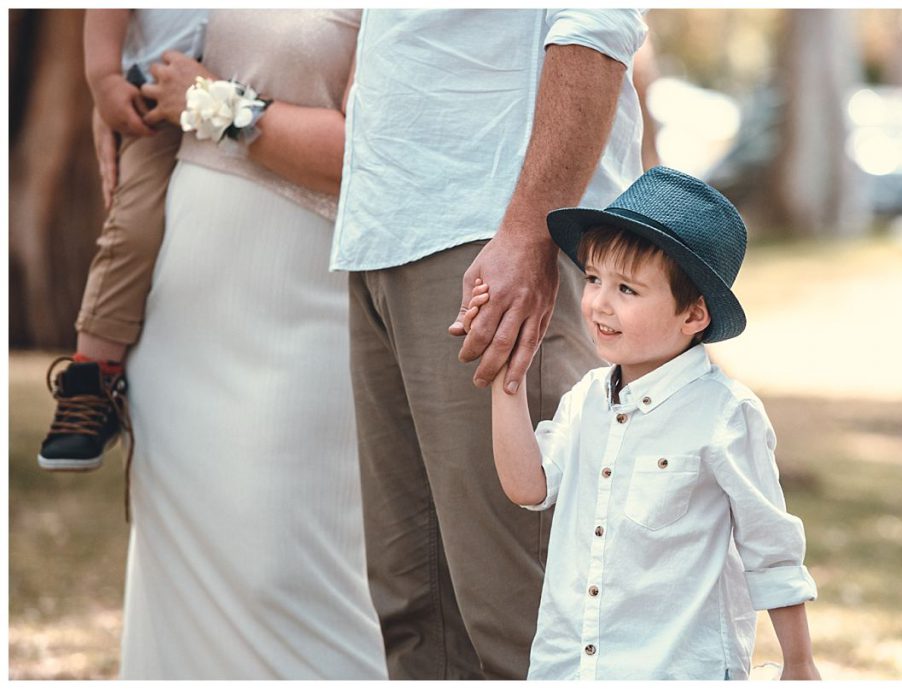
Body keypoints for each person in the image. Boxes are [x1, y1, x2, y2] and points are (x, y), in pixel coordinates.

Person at [331, 9, 648, 679]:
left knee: (525, 608)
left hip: (488, 232)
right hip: (383, 234)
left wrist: (528, 232)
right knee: (416, 608)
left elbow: (596, 25)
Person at [113, 10, 386, 678]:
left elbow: (369, 155)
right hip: (183, 301)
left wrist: (212, 103)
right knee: (176, 557)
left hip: (301, 296)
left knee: (284, 564)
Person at [474, 166, 821, 680]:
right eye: (593, 279)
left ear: (694, 315)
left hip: (676, 668)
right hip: (570, 669)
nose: (598, 304)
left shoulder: (725, 415)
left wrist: (799, 664)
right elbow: (529, 487)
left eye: (627, 290)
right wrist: (509, 379)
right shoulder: (587, 398)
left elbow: (770, 548)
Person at [37, 9, 206, 472]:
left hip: (271, 88)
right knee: (134, 225)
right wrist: (104, 77)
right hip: (159, 99)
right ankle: (94, 375)